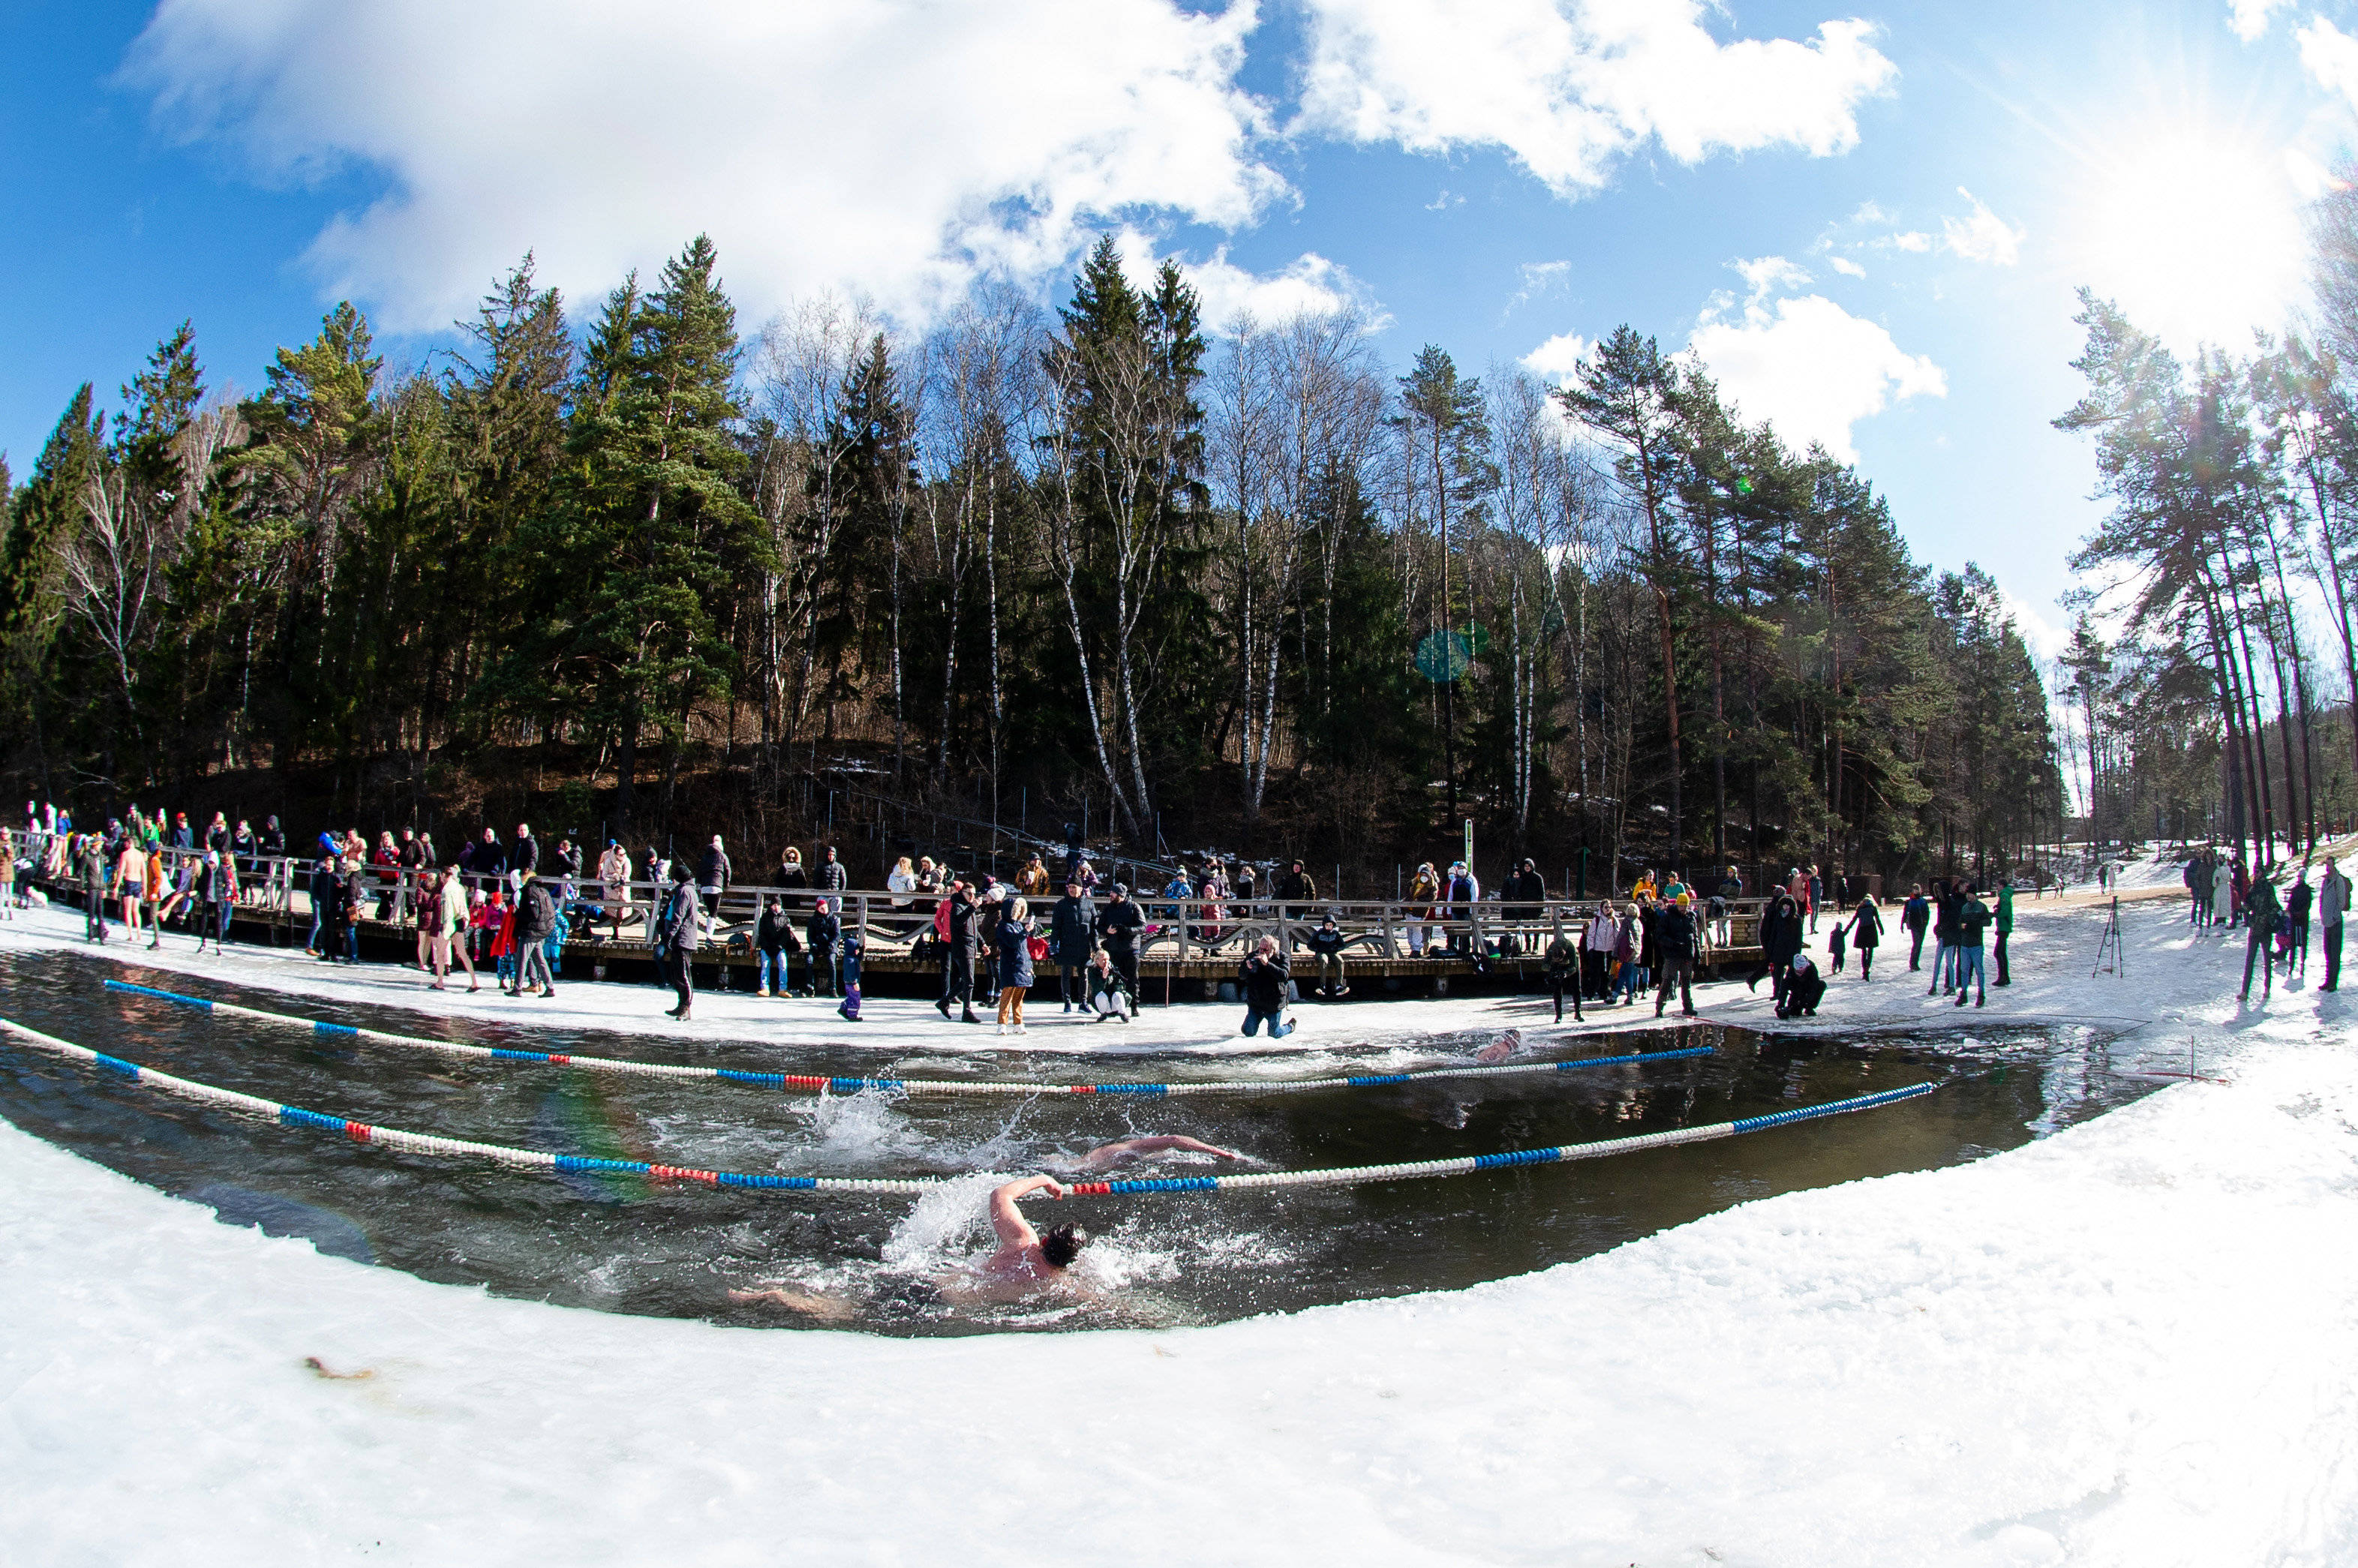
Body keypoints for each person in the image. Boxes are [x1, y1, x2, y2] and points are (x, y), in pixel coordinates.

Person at [944, 1175, 1086, 1303]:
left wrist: (1045, 1180)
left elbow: (1000, 1195)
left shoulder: (1024, 1242)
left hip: (948, 1286)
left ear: (1044, 1241)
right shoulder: (1056, 1283)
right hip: (968, 1303)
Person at [655, 864, 701, 1020]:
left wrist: (669, 935)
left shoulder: (685, 891)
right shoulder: (687, 890)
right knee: (678, 974)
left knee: (683, 975)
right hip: (680, 938)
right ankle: (682, 1005)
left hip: (683, 939)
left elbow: (678, 916)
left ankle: (686, 1007)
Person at [1073, 1135, 1242, 1172]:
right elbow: (1175, 1139)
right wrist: (1221, 1152)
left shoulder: (1129, 1150)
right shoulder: (1131, 1148)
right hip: (1080, 1169)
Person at [1050, 880, 1096, 1013]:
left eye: (1074, 887)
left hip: (1083, 944)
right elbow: (1056, 927)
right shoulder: (1061, 905)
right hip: (1066, 944)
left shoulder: (1089, 904)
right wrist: (1054, 944)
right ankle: (1067, 1002)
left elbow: (1093, 928)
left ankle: (1083, 1002)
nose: (1071, 889)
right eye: (1069, 887)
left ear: (1081, 888)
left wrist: (1095, 946)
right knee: (1066, 973)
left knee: (1084, 973)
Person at [510, 872, 558, 998]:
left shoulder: (529, 892)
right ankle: (550, 987)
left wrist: (517, 914)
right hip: (542, 931)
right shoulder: (544, 891)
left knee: (522, 959)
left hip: (531, 930)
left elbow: (532, 914)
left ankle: (517, 988)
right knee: (540, 959)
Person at [994, 895, 1036, 1035]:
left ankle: (1018, 1022)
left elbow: (1023, 946)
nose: (1018, 913)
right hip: (1010, 965)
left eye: (1020, 911)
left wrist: (1030, 930)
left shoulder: (1018, 925)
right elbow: (1013, 942)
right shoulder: (1003, 926)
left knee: (1019, 998)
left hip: (1022, 964)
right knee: (1006, 997)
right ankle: (1002, 1023)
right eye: (1016, 910)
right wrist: (1026, 931)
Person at [2241, 869, 2284, 1004]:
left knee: (2267, 958)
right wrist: (2244, 909)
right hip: (2255, 927)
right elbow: (2248, 905)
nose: (2257, 874)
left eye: (2258, 872)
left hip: (2265, 928)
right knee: (2250, 959)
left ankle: (2267, 987)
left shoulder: (2268, 888)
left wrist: (2268, 918)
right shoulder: (2253, 888)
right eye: (2256, 872)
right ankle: (2245, 990)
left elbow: (2275, 906)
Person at [433, 867, 478, 993]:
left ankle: (440, 982)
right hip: (460, 921)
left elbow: (447, 912)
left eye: (440, 877)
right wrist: (465, 921)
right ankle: (474, 982)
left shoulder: (446, 890)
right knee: (463, 953)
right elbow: (464, 906)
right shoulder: (459, 887)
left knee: (440, 952)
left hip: (450, 922)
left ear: (443, 875)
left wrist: (445, 929)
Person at [1098, 882, 1145, 1006]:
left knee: (1132, 978)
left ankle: (1134, 1005)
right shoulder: (1108, 909)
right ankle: (1115, 1005)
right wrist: (1106, 930)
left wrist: (1128, 930)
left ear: (1120, 895)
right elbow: (1099, 927)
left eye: (1113, 893)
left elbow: (1142, 927)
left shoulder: (1134, 907)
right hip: (1114, 948)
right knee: (1114, 978)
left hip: (1131, 948)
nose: (1111, 895)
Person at [1239, 935, 1293, 1038]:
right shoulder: (1253, 956)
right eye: (1260, 948)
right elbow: (1241, 975)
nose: (1261, 952)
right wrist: (1246, 967)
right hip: (1256, 1002)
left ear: (1273, 950)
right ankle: (1248, 1026)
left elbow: (1284, 976)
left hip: (1274, 1003)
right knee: (1248, 1033)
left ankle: (1289, 1027)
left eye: (1265, 950)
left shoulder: (1282, 957)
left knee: (1274, 1034)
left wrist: (1267, 964)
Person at [1654, 894, 1699, 1018]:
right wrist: (1672, 944)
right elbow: (1659, 935)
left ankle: (1688, 1007)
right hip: (1673, 955)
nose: (1683, 908)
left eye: (1685, 905)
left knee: (1686, 983)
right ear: (1677, 904)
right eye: (1681, 905)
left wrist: (1698, 954)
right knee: (1667, 981)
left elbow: (1695, 937)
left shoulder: (1691, 917)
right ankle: (1659, 1007)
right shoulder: (1668, 917)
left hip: (1687, 955)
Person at [1951, 886, 1991, 1008]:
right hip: (1965, 944)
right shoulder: (1965, 907)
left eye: (1970, 894)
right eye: (1967, 894)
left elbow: (1988, 921)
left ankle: (1981, 995)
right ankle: (1963, 994)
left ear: (1975, 895)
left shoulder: (1981, 907)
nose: (1968, 896)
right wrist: (1962, 926)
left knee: (1979, 970)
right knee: (1964, 971)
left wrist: (1976, 924)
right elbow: (1959, 923)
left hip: (1976, 944)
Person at [755, 896, 797, 997]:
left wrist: (779, 946)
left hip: (779, 947)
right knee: (765, 964)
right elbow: (762, 934)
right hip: (767, 946)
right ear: (771, 906)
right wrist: (766, 946)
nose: (777, 907)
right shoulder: (765, 918)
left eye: (779, 905)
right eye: (775, 905)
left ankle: (783, 988)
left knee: (783, 964)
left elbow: (786, 935)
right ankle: (765, 988)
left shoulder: (785, 918)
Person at [2321, 856, 2351, 992]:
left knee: (2335, 953)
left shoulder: (2337, 881)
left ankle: (2333, 982)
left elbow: (2341, 901)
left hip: (2335, 922)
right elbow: (2323, 899)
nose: (2328, 868)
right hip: (2327, 923)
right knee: (2328, 954)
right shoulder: (2325, 881)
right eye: (2326, 865)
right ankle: (2328, 980)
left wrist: (2334, 916)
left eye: (2330, 865)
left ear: (2334, 865)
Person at [1544, 923, 1582, 1022]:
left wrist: (1566, 974)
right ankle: (1558, 1015)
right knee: (1557, 989)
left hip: (1572, 965)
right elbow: (1544, 965)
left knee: (1576, 988)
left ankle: (1578, 1012)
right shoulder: (1551, 949)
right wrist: (1551, 973)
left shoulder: (1570, 948)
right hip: (1556, 967)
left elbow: (1574, 967)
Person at [1085, 947, 1135, 1022]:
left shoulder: (1114, 970)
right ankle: (1104, 1014)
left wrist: (1114, 977)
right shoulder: (1093, 972)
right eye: (1103, 960)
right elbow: (1096, 989)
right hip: (1103, 1003)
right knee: (1101, 995)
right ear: (1097, 961)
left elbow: (1121, 987)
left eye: (1107, 960)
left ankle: (1122, 1014)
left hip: (1114, 1003)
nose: (1106, 962)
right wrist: (1103, 978)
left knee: (1118, 994)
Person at [697, 834, 731, 942]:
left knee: (709, 910)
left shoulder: (705, 857)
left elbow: (700, 871)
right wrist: (726, 884)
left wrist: (700, 882)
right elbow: (728, 870)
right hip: (716, 886)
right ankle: (709, 937)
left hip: (705, 887)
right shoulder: (722, 856)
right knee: (713, 913)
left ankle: (708, 934)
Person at [1306, 913, 1350, 999]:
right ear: (1324, 925)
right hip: (1321, 952)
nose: (1329, 927)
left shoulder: (1335, 933)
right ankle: (1322, 986)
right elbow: (1309, 945)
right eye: (1327, 925)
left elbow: (1343, 945)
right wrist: (1317, 950)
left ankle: (1339, 986)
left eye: (1331, 925)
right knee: (1323, 960)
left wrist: (1336, 949)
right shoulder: (1318, 933)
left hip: (1332, 952)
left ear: (1333, 925)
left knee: (1340, 961)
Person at [1582, 900, 1618, 1001]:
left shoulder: (1614, 920)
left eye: (1609, 907)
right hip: (1598, 950)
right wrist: (1591, 949)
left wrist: (1615, 950)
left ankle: (1604, 992)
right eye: (1606, 907)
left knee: (1606, 974)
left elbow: (1616, 935)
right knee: (1595, 973)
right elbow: (1591, 936)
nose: (1608, 909)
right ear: (1601, 908)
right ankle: (1591, 993)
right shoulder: (1596, 920)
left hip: (1609, 950)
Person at [807, 897, 843, 999]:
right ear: (818, 909)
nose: (825, 910)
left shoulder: (833, 919)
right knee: (809, 960)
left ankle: (833, 988)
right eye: (822, 908)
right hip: (817, 946)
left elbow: (837, 935)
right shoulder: (813, 920)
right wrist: (813, 945)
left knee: (832, 962)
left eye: (826, 907)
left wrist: (831, 945)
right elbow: (810, 936)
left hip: (830, 947)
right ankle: (809, 987)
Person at [1406, 862, 1441, 956]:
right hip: (1410, 909)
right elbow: (1409, 894)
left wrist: (1420, 900)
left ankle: (1417, 949)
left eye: (1426, 874)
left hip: (1420, 911)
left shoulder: (1432, 884)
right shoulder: (1414, 882)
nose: (1423, 876)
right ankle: (1413, 947)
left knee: (1417, 929)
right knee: (1410, 930)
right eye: (1422, 874)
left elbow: (1432, 897)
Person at [1846, 895, 1884, 981]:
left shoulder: (1860, 909)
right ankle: (1867, 969)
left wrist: (1846, 931)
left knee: (1864, 952)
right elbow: (1877, 919)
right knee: (1870, 952)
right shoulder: (1873, 908)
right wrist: (1881, 929)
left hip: (1862, 931)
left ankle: (1864, 971)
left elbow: (1853, 920)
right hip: (1871, 931)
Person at [1780, 951, 1826, 1018]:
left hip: (1808, 988)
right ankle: (1796, 1007)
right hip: (1797, 990)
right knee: (1795, 1013)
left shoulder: (1812, 968)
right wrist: (1781, 1004)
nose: (1801, 972)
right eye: (1798, 970)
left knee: (1821, 985)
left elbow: (1814, 985)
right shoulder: (1791, 971)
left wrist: (1805, 1001)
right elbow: (1784, 988)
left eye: (1803, 970)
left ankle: (1809, 1007)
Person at [2287, 870, 2314, 977]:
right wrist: (2294, 912)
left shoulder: (2307, 890)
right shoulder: (2295, 890)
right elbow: (2290, 904)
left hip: (2303, 919)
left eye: (2302, 876)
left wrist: (2301, 913)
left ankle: (2303, 963)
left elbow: (2308, 904)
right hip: (2295, 919)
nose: (2300, 878)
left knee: (2303, 941)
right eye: (2299, 876)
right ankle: (2291, 964)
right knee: (2292, 942)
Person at [1993, 879, 2016, 987]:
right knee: (2001, 952)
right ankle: (2004, 977)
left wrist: (1996, 914)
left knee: (1998, 952)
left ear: (2002, 886)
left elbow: (2005, 911)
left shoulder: (2004, 895)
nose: (1996, 888)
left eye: (1997, 886)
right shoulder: (2005, 895)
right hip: (2003, 926)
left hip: (2004, 927)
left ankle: (2003, 977)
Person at [1901, 883, 1930, 969]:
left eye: (1917, 890)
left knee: (1919, 944)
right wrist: (1902, 923)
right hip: (1914, 925)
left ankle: (1915, 962)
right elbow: (1905, 913)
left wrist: (1926, 921)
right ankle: (1913, 963)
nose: (1916, 891)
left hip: (1922, 925)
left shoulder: (1923, 901)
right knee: (1916, 944)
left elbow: (1927, 912)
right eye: (1914, 890)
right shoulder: (1910, 902)